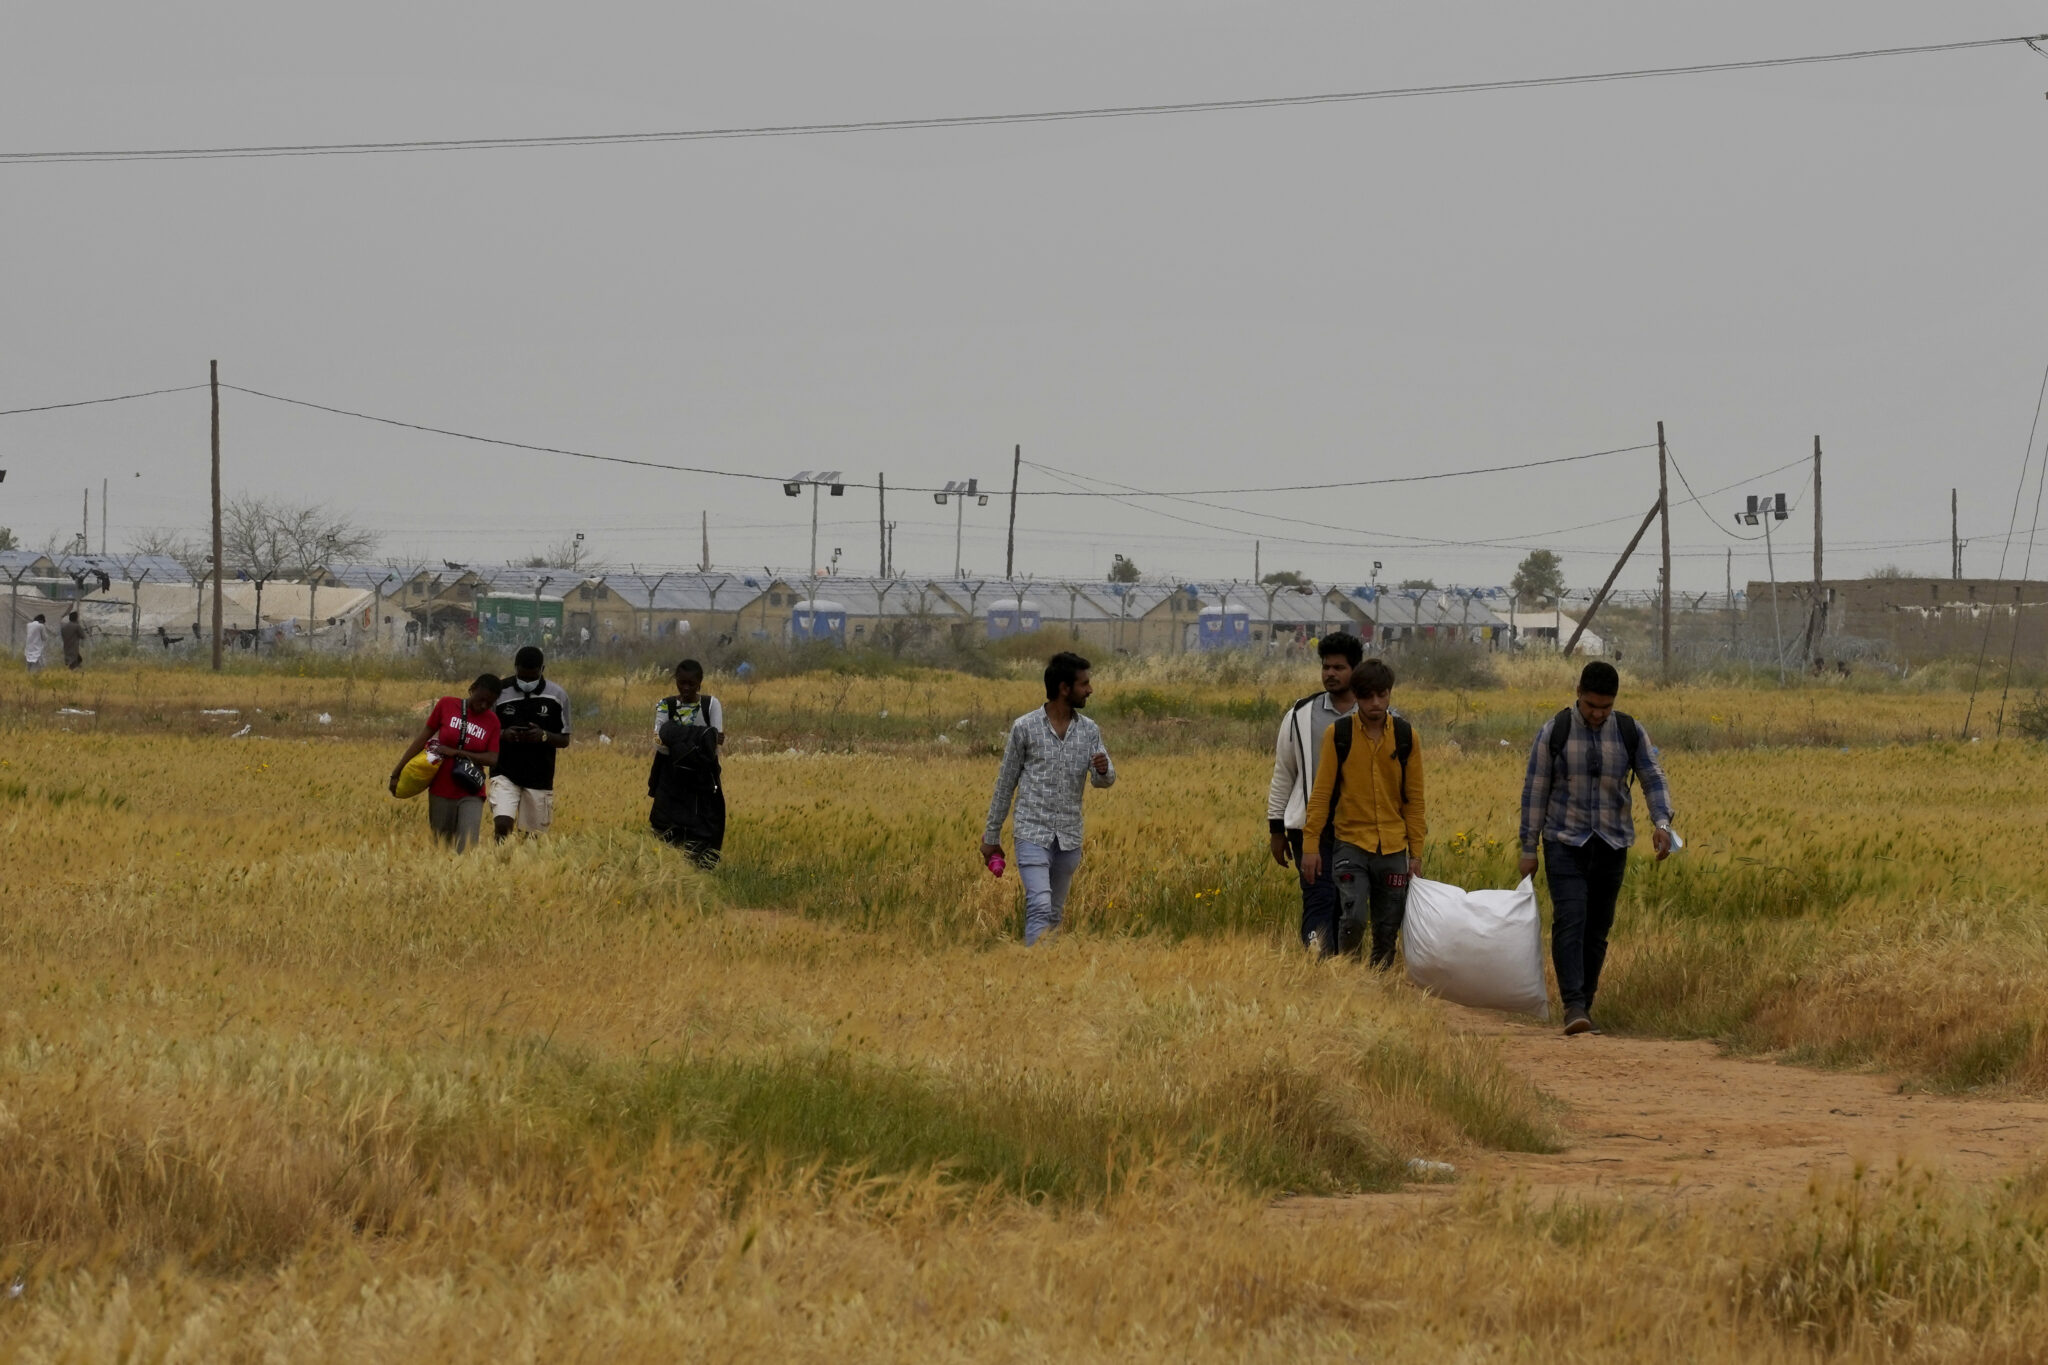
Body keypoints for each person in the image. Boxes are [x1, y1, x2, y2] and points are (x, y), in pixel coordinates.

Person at [1518, 660, 1676, 1037]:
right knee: (1570, 921)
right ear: (1578, 694)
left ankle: (1585, 1001)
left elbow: (1653, 777)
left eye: (1605, 707)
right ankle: (1572, 1003)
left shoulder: (1628, 731)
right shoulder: (1553, 731)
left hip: (1612, 842)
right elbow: (1535, 791)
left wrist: (1662, 823)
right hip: (1564, 842)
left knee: (1598, 928)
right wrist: (1528, 847)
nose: (1597, 714)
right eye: (1591, 706)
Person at [981, 651, 1117, 946]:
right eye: (1084, 684)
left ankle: (1045, 974)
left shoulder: (1089, 730)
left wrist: (1105, 771)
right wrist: (991, 836)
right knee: (1040, 905)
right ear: (1064, 688)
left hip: (1068, 836)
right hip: (1032, 833)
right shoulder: (1025, 728)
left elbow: (1103, 780)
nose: (1090, 690)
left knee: (1054, 913)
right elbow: (1005, 784)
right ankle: (1032, 969)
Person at [1298, 659, 1426, 967]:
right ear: (1356, 696)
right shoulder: (1338, 734)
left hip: (1394, 847)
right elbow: (1321, 793)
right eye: (1368, 696)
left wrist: (1416, 853)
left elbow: (1415, 800)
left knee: (1387, 926)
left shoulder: (1407, 737)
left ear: (1390, 694)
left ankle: (1379, 981)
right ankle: (1348, 974)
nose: (1376, 703)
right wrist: (1310, 846)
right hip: (1351, 844)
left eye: (1382, 695)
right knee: (1353, 917)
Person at [1266, 630, 1363, 956]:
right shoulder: (1300, 715)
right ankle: (1318, 964)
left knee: (1348, 901)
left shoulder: (1375, 715)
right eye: (1326, 667)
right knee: (1319, 896)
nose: (1330, 674)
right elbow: (1284, 774)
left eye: (1339, 668)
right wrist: (1276, 829)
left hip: (1357, 828)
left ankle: (1346, 966)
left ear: (1356, 671)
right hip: (1309, 827)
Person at [389, 674, 503, 852]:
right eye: (481, 700)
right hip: (441, 789)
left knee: (467, 847)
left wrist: (458, 752)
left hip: (471, 790)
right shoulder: (447, 704)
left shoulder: (493, 721)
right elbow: (421, 740)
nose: (484, 706)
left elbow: (492, 758)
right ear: (473, 689)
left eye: (490, 703)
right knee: (442, 847)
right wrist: (397, 772)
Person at [488, 646, 572, 841]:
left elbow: (564, 739)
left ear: (542, 670)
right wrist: (503, 734)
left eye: (532, 677)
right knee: (502, 824)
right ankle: (498, 863)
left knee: (532, 838)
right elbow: (485, 730)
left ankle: (524, 869)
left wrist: (543, 736)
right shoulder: (500, 692)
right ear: (515, 668)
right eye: (522, 676)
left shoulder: (558, 696)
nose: (526, 682)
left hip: (540, 774)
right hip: (504, 770)